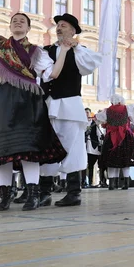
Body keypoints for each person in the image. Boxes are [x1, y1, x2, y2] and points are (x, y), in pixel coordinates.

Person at [0, 12, 67, 211]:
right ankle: (5, 194)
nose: (18, 23)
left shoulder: (36, 51)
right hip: (3, 100)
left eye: (22, 21)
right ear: (9, 26)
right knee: (2, 148)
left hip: (28, 101)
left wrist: (64, 50)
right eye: (14, 20)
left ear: (29, 28)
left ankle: (32, 193)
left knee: (27, 148)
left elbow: (53, 74)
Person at [39, 13, 102, 207]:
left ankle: (74, 191)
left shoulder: (80, 51)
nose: (59, 28)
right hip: (48, 104)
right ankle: (44, 191)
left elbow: (89, 66)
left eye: (64, 25)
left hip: (69, 104)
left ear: (73, 31)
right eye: (58, 25)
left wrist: (76, 48)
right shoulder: (46, 50)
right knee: (47, 146)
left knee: (72, 146)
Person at [96, 95, 134, 190]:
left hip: (111, 136)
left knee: (112, 161)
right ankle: (126, 184)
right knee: (125, 161)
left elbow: (99, 120)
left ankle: (112, 184)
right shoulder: (127, 108)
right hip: (125, 136)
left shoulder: (107, 110)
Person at [84, 108, 102, 188]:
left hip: (93, 148)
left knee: (96, 165)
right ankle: (84, 182)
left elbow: (99, 135)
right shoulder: (83, 123)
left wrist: (100, 144)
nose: (86, 114)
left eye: (87, 112)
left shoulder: (94, 124)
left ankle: (95, 182)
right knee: (85, 165)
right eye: (85, 113)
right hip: (84, 147)